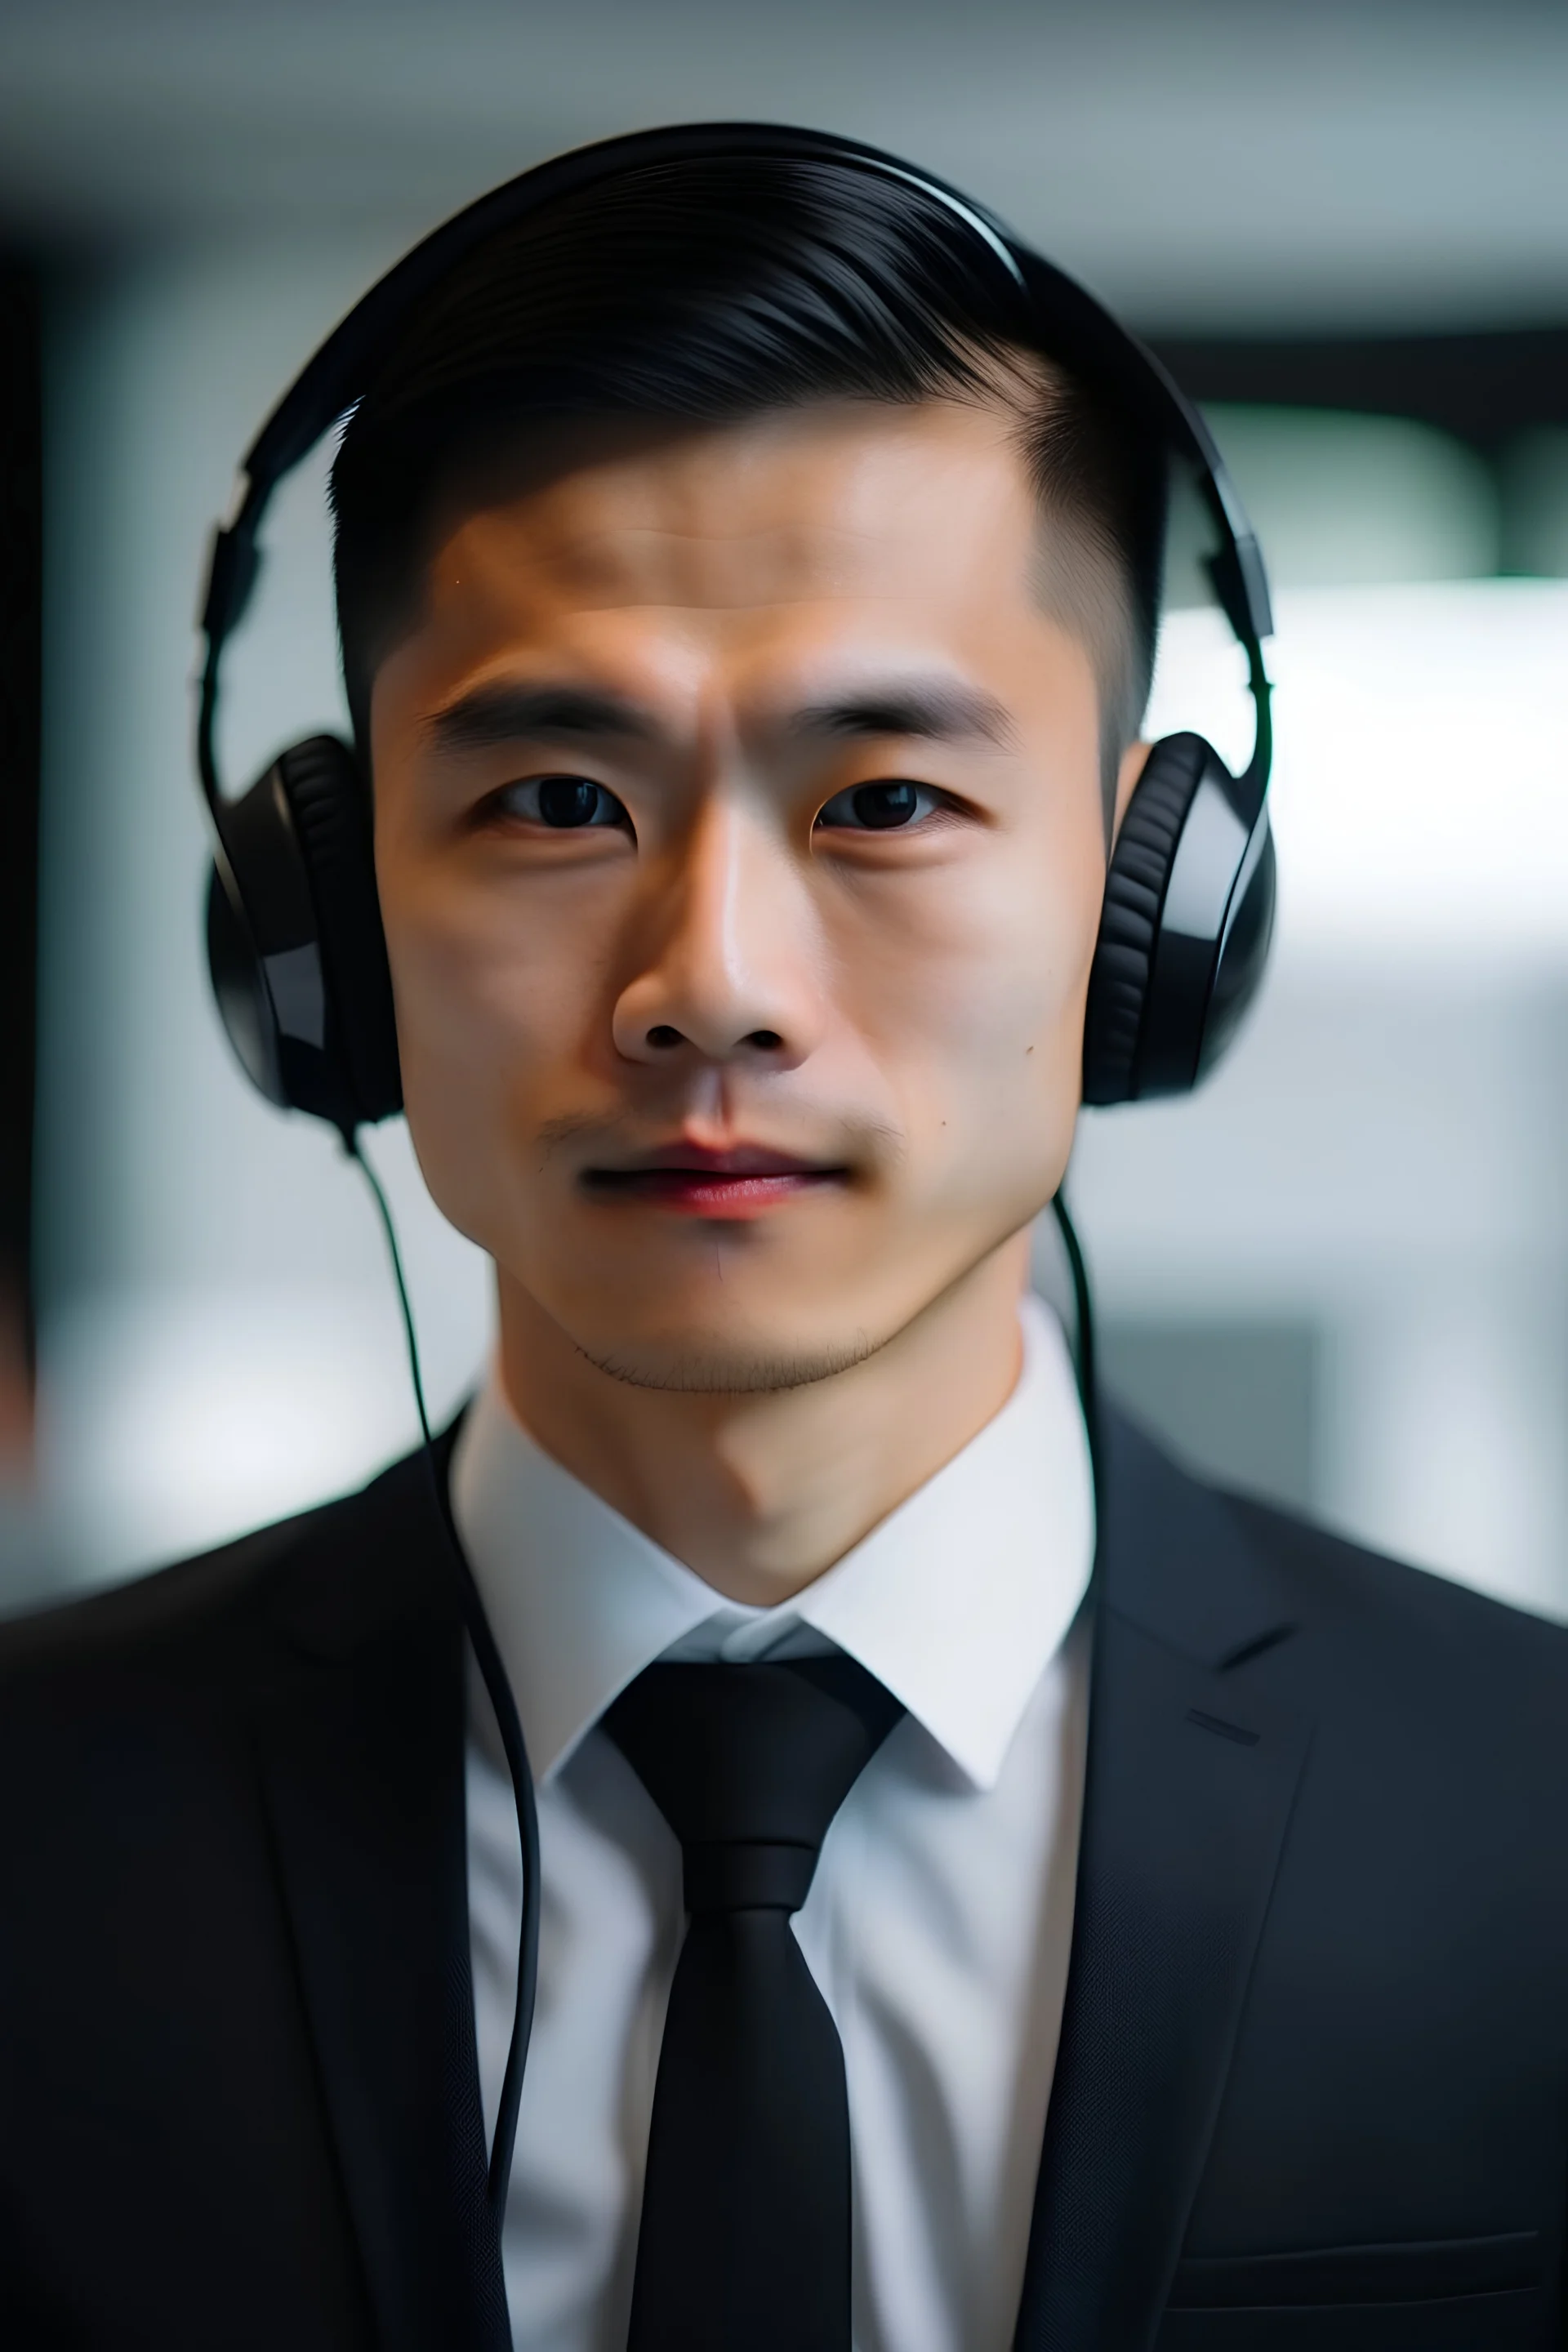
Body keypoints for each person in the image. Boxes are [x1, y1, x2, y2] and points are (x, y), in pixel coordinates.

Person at [2, 129, 1565, 2352]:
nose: (709, 979)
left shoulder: (1538, 1825)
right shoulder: (34, 1841)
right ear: (330, 922)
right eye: (555, 800)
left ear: (1152, 906)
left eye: (888, 801)